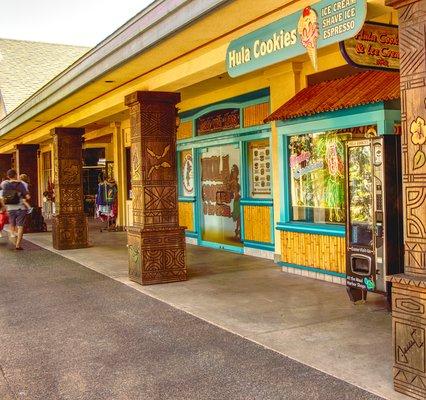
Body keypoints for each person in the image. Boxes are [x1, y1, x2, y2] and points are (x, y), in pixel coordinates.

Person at [0, 169, 30, 250]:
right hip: (20, 208)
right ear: (16, 175)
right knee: (20, 226)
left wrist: (4, 207)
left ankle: (12, 234)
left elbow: (2, 198)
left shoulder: (5, 184)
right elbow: (27, 196)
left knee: (12, 224)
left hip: (10, 208)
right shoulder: (20, 184)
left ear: (8, 176)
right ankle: (18, 245)